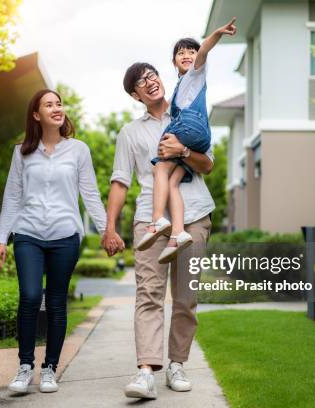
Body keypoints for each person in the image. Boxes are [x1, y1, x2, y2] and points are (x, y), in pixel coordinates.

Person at [102, 61, 214, 400]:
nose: (149, 82)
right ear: (135, 95)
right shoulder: (130, 133)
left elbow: (207, 164)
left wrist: (181, 150)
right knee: (148, 294)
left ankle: (177, 364)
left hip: (194, 216)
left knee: (185, 298)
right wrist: (109, 227)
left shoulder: (187, 113)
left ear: (161, 80)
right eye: (140, 82)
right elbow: (120, 182)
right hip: (149, 223)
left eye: (152, 75)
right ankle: (146, 372)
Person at [0, 89, 114, 394]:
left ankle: (49, 368)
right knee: (31, 296)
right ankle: (25, 367)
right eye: (49, 105)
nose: (56, 108)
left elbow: (90, 194)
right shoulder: (22, 151)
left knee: (57, 302)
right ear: (37, 115)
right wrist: (1, 239)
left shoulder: (78, 150)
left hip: (65, 235)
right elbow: (12, 195)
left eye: (58, 103)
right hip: (28, 233)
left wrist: (106, 230)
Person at [136, 18, 237, 264]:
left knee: (160, 166)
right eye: (181, 52)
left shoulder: (195, 74)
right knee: (172, 183)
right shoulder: (181, 84)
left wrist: (218, 33)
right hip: (196, 137)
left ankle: (158, 218)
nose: (187, 55)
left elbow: (204, 49)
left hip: (190, 127)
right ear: (173, 62)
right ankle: (178, 234)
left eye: (190, 51)